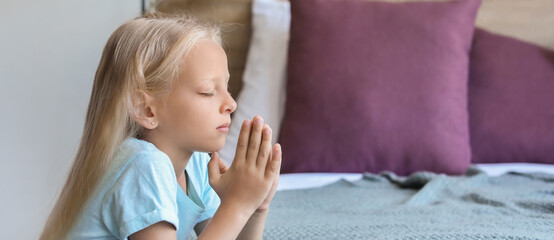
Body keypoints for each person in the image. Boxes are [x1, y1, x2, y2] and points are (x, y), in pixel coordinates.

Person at [40, 13, 282, 240]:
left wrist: (256, 206)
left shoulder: (196, 164)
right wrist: (237, 204)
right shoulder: (143, 165)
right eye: (208, 92)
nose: (231, 103)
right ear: (147, 110)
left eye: (226, 88)